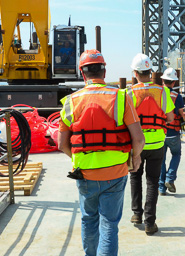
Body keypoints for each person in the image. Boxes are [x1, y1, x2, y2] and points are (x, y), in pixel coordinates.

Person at [58, 49, 145, 256]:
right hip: (115, 172)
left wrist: (79, 157)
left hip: (85, 173)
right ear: (104, 72)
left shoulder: (71, 101)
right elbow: (139, 139)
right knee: (109, 224)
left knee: (88, 219)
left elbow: (62, 144)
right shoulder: (121, 97)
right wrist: (134, 157)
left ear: (82, 73)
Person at [127, 53, 175, 235]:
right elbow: (170, 117)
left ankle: (137, 214)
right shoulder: (162, 91)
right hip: (156, 144)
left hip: (136, 144)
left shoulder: (129, 93)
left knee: (135, 177)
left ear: (135, 73)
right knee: (153, 182)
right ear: (150, 71)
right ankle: (150, 222)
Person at [158, 68, 184, 196]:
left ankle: (161, 188)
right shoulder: (177, 96)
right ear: (174, 83)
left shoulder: (158, 94)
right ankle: (170, 179)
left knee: (161, 159)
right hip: (174, 133)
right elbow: (181, 113)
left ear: (162, 80)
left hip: (161, 133)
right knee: (176, 154)